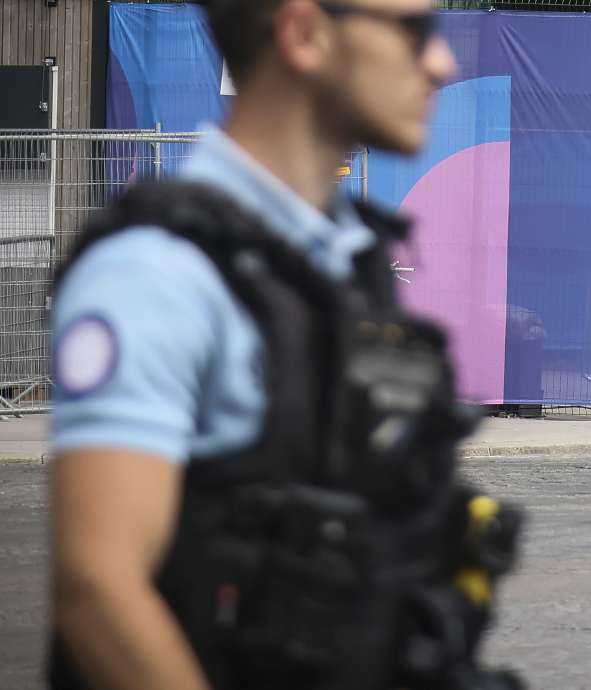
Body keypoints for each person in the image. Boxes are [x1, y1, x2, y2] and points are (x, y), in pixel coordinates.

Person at [48, 1, 523, 689]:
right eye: (413, 31)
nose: (441, 63)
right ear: (304, 34)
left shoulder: (346, 264)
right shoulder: (156, 274)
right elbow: (98, 592)